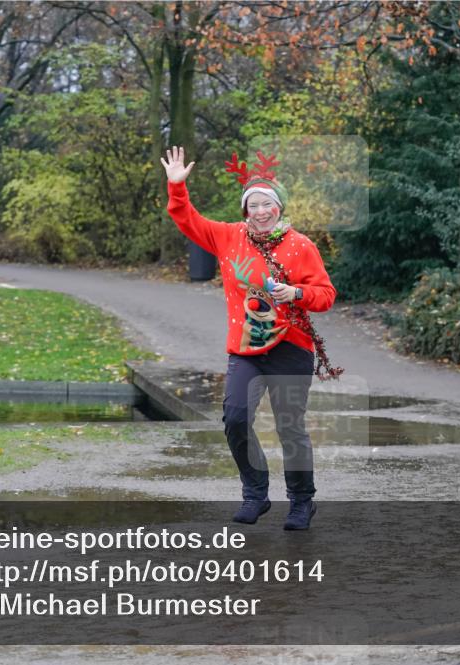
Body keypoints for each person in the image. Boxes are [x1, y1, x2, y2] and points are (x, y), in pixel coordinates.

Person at [161, 145, 343, 531]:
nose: (260, 212)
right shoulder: (229, 237)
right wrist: (177, 187)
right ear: (245, 211)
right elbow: (187, 220)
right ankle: (256, 493)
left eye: (267, 205)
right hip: (245, 348)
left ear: (279, 207)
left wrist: (297, 294)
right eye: (253, 206)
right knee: (236, 418)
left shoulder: (301, 246)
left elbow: (325, 295)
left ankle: (301, 502)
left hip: (291, 347)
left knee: (290, 426)